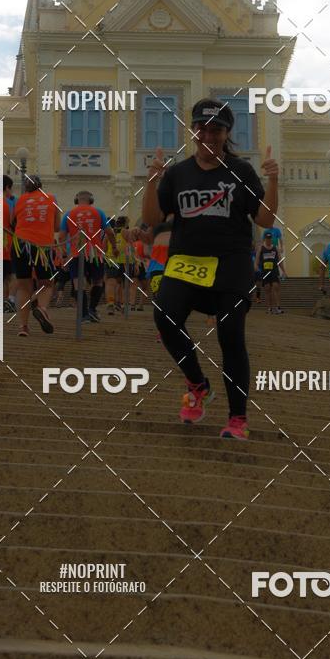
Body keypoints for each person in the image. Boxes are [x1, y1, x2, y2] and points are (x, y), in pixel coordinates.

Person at [142, 97, 279, 441]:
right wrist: (151, 182)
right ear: (193, 131)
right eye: (202, 128)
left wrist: (274, 182)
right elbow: (152, 220)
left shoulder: (242, 171)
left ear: (226, 133)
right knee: (165, 317)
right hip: (186, 263)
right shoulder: (177, 173)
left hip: (231, 265)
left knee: (230, 334)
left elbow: (263, 218)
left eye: (215, 129)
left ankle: (237, 418)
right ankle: (197, 385)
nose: (208, 135)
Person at [11, 175, 60, 336]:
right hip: (42, 247)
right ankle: (42, 308)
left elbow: (13, 222)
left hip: (20, 245)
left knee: (23, 286)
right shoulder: (51, 198)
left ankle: (23, 327)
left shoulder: (20, 200)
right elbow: (57, 227)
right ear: (41, 186)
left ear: (26, 188)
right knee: (46, 283)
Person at [59, 191, 114, 323]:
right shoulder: (99, 212)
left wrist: (64, 255)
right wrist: (115, 247)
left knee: (79, 285)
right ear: (91, 200)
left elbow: (61, 237)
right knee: (98, 281)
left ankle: (83, 315)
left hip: (76, 253)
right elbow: (110, 232)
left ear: (76, 200)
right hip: (95, 253)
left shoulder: (68, 214)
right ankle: (92, 309)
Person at [256, 230, 286, 314]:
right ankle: (269, 308)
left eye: (270, 238)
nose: (269, 240)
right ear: (265, 239)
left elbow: (280, 260)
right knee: (267, 289)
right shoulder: (261, 248)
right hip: (265, 271)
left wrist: (283, 271)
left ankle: (278, 307)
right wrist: (256, 268)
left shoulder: (275, 248)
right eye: (267, 238)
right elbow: (257, 261)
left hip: (274, 270)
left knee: (276, 286)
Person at [2, 175, 17, 313]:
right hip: (6, 247)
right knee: (11, 276)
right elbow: (13, 224)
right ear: (7, 187)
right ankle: (9, 301)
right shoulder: (8, 204)